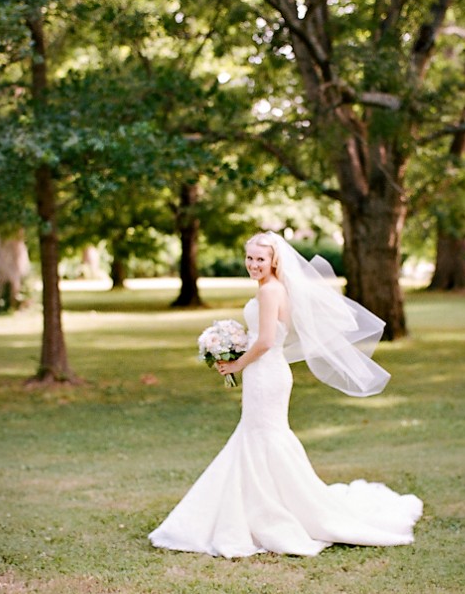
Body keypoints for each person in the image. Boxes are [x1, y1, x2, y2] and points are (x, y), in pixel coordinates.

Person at [148, 231, 423, 558]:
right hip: (268, 371)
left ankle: (276, 512)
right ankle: (264, 508)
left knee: (264, 438)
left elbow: (264, 341)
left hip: (265, 372)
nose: (253, 264)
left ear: (274, 260)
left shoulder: (270, 292)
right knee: (261, 437)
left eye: (260, 259)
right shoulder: (276, 288)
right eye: (249, 258)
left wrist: (236, 364)